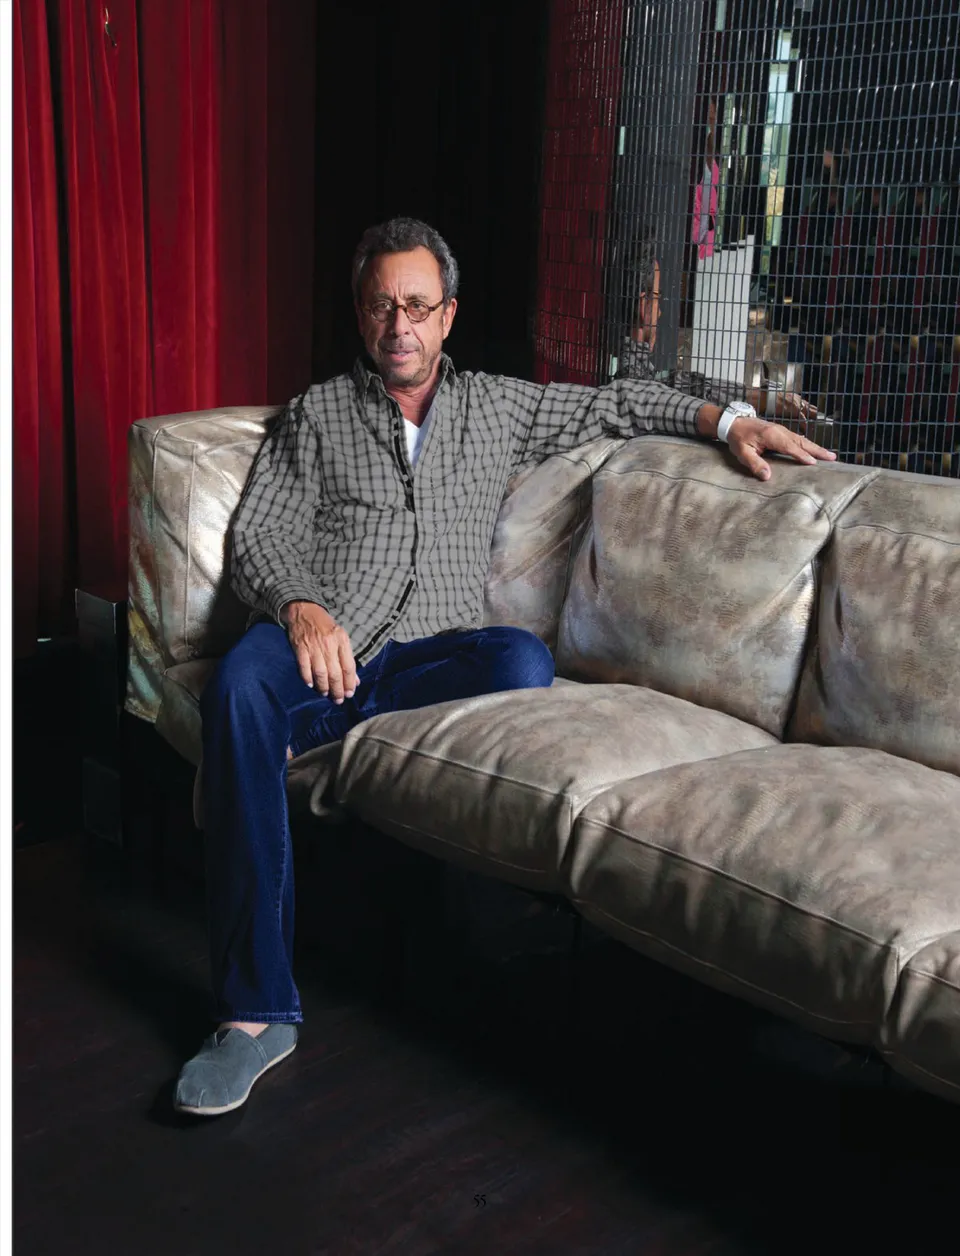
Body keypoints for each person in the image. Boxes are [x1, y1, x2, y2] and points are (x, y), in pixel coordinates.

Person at [174, 217, 835, 1116]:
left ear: (448, 315)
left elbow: (615, 404)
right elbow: (261, 534)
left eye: (417, 306)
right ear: (360, 315)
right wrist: (300, 607)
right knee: (238, 688)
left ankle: (307, 729)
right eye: (381, 306)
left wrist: (731, 421)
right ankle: (253, 1014)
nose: (399, 325)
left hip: (426, 652)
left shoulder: (499, 406)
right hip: (317, 639)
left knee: (521, 657)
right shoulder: (317, 414)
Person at [618, 228, 820, 424]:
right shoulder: (634, 388)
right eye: (658, 297)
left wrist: (766, 399)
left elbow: (684, 386)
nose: (660, 312)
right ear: (644, 306)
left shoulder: (638, 378)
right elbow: (674, 396)